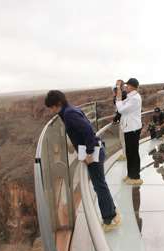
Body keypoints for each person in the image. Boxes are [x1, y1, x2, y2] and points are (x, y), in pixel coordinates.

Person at [44, 90, 121, 231]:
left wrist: (89, 153)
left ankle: (109, 219)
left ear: (58, 104)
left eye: (52, 107)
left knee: (99, 186)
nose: (52, 111)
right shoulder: (70, 110)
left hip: (93, 152)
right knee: (100, 184)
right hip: (91, 150)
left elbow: (87, 131)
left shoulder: (69, 114)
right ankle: (112, 212)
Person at [116, 78, 143, 185]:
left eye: (127, 85)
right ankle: (130, 174)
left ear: (132, 87)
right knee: (129, 153)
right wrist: (119, 90)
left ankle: (135, 176)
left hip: (133, 129)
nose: (126, 87)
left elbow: (121, 109)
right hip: (129, 128)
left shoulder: (135, 99)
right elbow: (120, 103)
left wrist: (118, 98)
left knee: (133, 153)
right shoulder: (130, 97)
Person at [112, 80, 127, 161]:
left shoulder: (122, 96)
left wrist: (115, 119)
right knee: (125, 138)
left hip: (123, 120)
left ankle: (125, 155)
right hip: (127, 119)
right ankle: (126, 154)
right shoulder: (126, 94)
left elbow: (120, 110)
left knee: (123, 139)